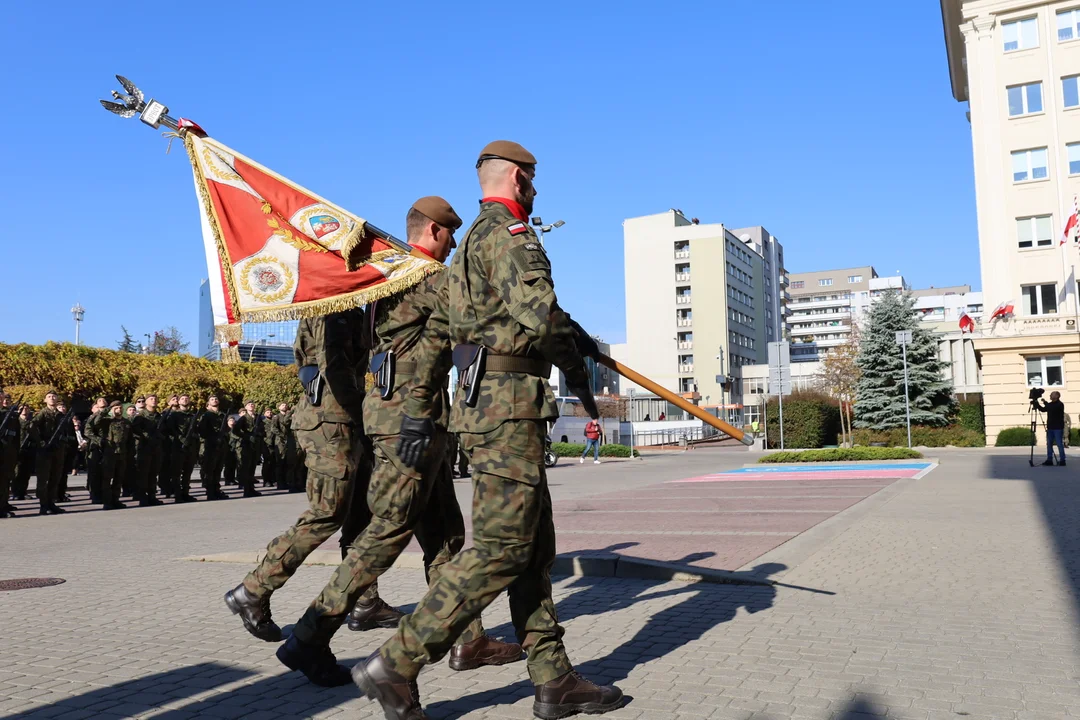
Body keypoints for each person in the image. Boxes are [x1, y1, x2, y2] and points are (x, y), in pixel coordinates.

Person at [352, 142, 622, 719]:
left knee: (533, 551)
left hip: (492, 406)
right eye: (533, 180)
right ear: (520, 177)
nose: (537, 190)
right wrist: (579, 359)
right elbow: (543, 318)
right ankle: (397, 661)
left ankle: (554, 680)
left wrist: (574, 351)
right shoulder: (509, 234)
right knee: (503, 550)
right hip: (508, 408)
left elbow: (485, 325)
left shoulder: (471, 242)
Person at [281, 196, 521, 686]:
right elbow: (481, 316)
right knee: (385, 534)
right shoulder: (423, 275)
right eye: (449, 234)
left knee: (446, 536)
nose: (453, 242)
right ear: (432, 230)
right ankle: (308, 636)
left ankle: (468, 637)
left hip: (412, 422)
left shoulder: (384, 279)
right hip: (410, 424)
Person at [225, 305, 400, 651]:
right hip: (331, 422)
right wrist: (366, 411)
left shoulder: (347, 307)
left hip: (344, 422)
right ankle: (254, 589)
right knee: (326, 513)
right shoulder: (333, 306)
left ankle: (365, 602)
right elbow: (332, 367)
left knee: (361, 518)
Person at [28, 390, 67, 515]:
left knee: (55, 478)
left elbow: (65, 432)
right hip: (45, 451)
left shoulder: (61, 415)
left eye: (54, 396)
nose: (52, 398)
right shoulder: (43, 414)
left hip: (57, 450)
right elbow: (31, 426)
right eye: (49, 397)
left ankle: (51, 503)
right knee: (43, 479)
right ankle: (43, 505)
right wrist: (40, 442)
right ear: (45, 400)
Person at [131, 394, 165, 506]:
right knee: (143, 474)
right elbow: (135, 429)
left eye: (155, 399)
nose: (154, 400)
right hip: (144, 447)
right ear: (146, 402)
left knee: (153, 473)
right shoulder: (141, 415)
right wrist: (146, 436)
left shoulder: (159, 416)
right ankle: (142, 497)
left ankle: (152, 496)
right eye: (151, 399)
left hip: (157, 447)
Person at [100, 401, 130, 510]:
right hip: (110, 453)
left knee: (119, 478)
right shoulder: (107, 421)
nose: (119, 410)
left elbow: (129, 439)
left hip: (122, 453)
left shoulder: (126, 422)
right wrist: (107, 410)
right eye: (116, 408)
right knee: (107, 479)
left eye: (120, 408)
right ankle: (107, 502)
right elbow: (94, 421)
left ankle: (115, 500)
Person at [171, 395, 200, 503]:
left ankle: (185, 493)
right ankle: (178, 495)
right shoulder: (174, 415)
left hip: (191, 447)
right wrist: (181, 439)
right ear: (178, 402)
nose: (185, 400)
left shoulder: (193, 415)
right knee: (177, 472)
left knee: (188, 472)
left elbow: (197, 430)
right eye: (182, 398)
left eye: (187, 398)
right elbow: (171, 429)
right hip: (178, 446)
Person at [199, 396, 229, 500]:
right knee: (210, 469)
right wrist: (213, 437)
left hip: (221, 445)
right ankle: (210, 491)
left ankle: (217, 489)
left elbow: (227, 429)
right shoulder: (206, 415)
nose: (214, 400)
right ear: (208, 403)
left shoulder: (223, 415)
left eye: (216, 399)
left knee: (218, 468)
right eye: (212, 399)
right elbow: (202, 431)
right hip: (211, 445)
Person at [83, 397, 109, 504]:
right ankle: (95, 495)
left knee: (106, 473)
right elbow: (87, 432)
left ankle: (105, 494)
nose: (101, 403)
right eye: (98, 402)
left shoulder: (109, 416)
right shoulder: (92, 418)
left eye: (103, 400)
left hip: (108, 447)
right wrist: (99, 441)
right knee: (95, 473)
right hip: (95, 447)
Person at [0, 393, 20, 517]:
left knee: (4, 481)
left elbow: (16, 435)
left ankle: (2, 507)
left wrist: (15, 452)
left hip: (6, 453)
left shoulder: (9, 416)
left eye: (1, 397)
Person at [1039, 391, 1067, 466]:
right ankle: (1049, 459)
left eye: (1051, 394)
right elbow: (1044, 409)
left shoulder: (1060, 404)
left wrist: (1045, 402)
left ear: (1057, 396)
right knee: (1049, 444)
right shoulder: (1050, 404)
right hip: (1050, 427)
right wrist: (1037, 405)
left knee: (1059, 444)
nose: (1050, 395)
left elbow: (1052, 408)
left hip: (1058, 427)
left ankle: (1062, 460)